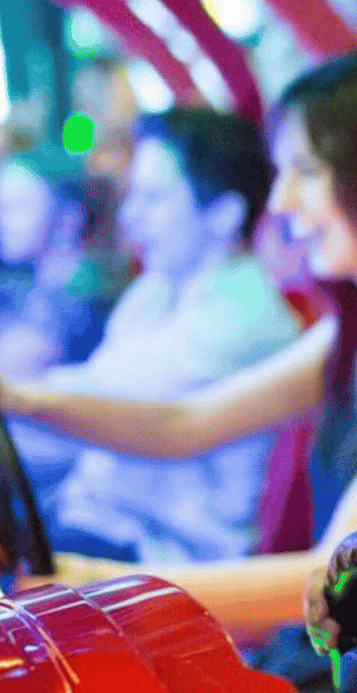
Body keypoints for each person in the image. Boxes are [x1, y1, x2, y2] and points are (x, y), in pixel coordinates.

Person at [4, 52, 357, 643]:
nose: (281, 203)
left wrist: (91, 582)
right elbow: (186, 423)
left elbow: (332, 575)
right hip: (346, 662)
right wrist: (22, 400)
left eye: (307, 172)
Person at [9, 109, 302, 565]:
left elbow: (106, 402)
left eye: (153, 199)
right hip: (97, 525)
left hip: (165, 556)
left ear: (225, 213)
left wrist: (21, 396)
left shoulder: (246, 314)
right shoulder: (156, 290)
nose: (130, 217)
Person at [0, 149, 129, 375]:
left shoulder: (87, 293)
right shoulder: (33, 281)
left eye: (18, 207)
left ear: (69, 214)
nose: (3, 222)